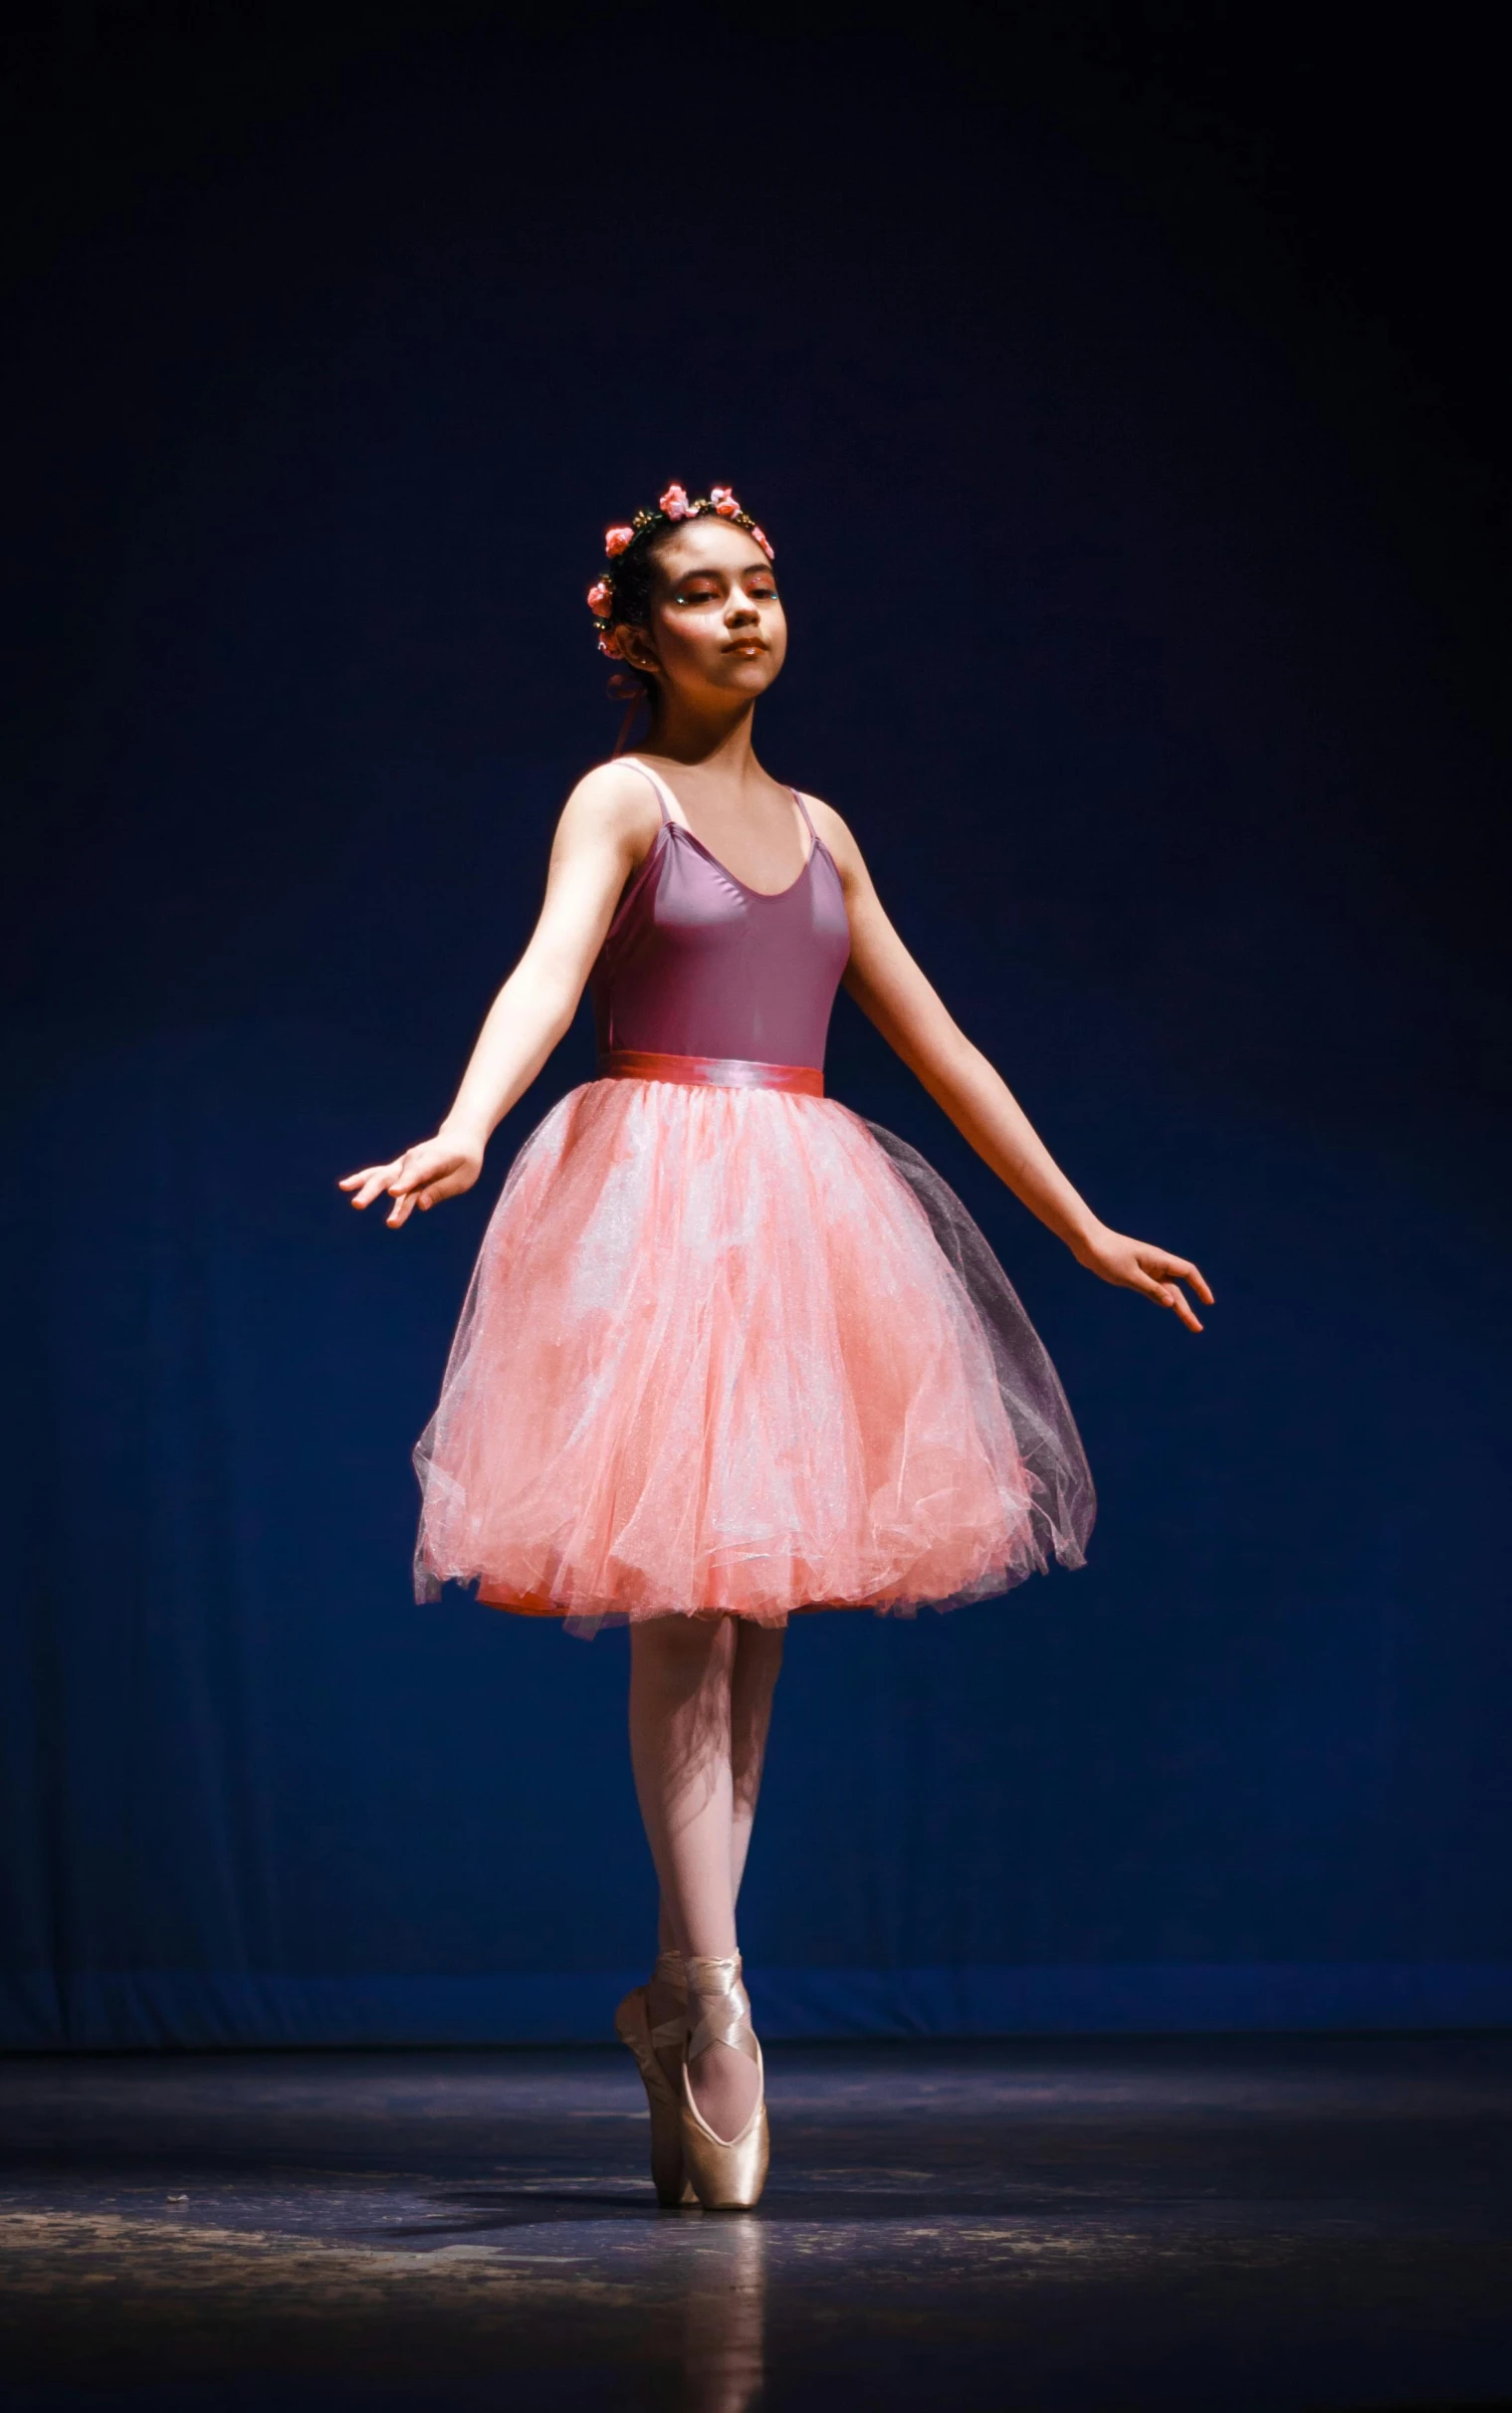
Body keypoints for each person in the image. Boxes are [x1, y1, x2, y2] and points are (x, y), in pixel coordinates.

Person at [340, 482, 1211, 2213]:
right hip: (659, 1200)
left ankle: (678, 1994)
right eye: (701, 594)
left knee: (759, 1616)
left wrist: (1078, 1226)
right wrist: (464, 1122)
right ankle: (718, 2005)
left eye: (759, 587)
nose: (742, 614)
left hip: (804, 1210)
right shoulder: (625, 796)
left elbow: (942, 1043)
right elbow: (545, 969)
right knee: (687, 1597)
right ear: (635, 636)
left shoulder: (824, 829)